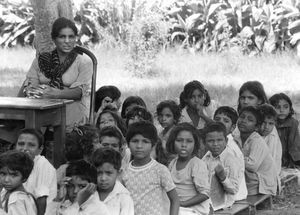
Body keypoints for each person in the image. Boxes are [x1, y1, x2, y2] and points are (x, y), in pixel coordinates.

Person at [21, 17, 93, 132]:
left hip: (71, 110)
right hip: (40, 107)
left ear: (76, 38)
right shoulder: (41, 60)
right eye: (62, 37)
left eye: (71, 36)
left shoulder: (84, 62)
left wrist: (55, 94)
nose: (67, 41)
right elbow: (31, 85)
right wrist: (36, 91)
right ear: (54, 39)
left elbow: (79, 92)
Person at [121, 121, 180, 215]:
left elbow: (175, 200)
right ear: (128, 144)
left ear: (153, 144)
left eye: (145, 141)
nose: (139, 146)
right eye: (135, 141)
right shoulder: (124, 172)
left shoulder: (160, 170)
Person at [167, 123, 210, 215]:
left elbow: (205, 193)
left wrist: (182, 204)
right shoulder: (173, 163)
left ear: (195, 144)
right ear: (173, 142)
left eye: (189, 141)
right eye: (179, 140)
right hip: (178, 207)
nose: (184, 145)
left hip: (194, 210)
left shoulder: (197, 164)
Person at [236, 106, 278, 195]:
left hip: (262, 183)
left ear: (257, 127)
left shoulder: (257, 141)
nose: (244, 121)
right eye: (242, 117)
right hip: (253, 178)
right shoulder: (237, 137)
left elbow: (252, 166)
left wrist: (234, 157)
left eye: (250, 120)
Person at [202, 122, 243, 211]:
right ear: (205, 142)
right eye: (210, 141)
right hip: (208, 200)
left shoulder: (231, 159)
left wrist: (223, 177)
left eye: (219, 140)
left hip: (224, 204)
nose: (215, 144)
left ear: (226, 141)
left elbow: (233, 190)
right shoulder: (206, 158)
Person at [15, 128, 57, 215]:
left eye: (31, 145)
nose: (24, 148)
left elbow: (42, 198)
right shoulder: (15, 163)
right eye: (21, 144)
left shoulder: (43, 165)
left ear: (40, 149)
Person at [213, 106, 247, 201]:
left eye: (226, 121)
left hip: (233, 196)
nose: (220, 122)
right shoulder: (215, 143)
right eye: (217, 119)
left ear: (232, 128)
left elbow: (233, 186)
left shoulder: (231, 149)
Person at [92, 148, 134, 215]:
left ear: (118, 173)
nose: (103, 178)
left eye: (108, 173)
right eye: (99, 173)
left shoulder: (124, 199)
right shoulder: (88, 193)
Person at [0, 150, 37, 215]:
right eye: (3, 174)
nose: (6, 180)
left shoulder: (17, 199)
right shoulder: (6, 192)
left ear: (24, 178)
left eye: (13, 175)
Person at [269, 93, 300, 167]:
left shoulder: (293, 123)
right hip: (271, 159)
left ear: (290, 109)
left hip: (289, 161)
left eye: (286, 107)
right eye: (277, 107)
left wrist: (293, 163)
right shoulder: (269, 123)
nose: (282, 110)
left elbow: (294, 146)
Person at [258, 104, 282, 175]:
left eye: (271, 123)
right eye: (263, 122)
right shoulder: (251, 136)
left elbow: (276, 158)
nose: (266, 127)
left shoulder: (273, 135)